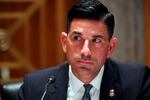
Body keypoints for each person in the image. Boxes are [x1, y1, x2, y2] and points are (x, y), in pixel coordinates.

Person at [18, 0, 150, 100]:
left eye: (96, 40)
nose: (85, 51)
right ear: (64, 42)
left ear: (110, 48)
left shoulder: (137, 84)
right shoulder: (34, 88)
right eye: (77, 38)